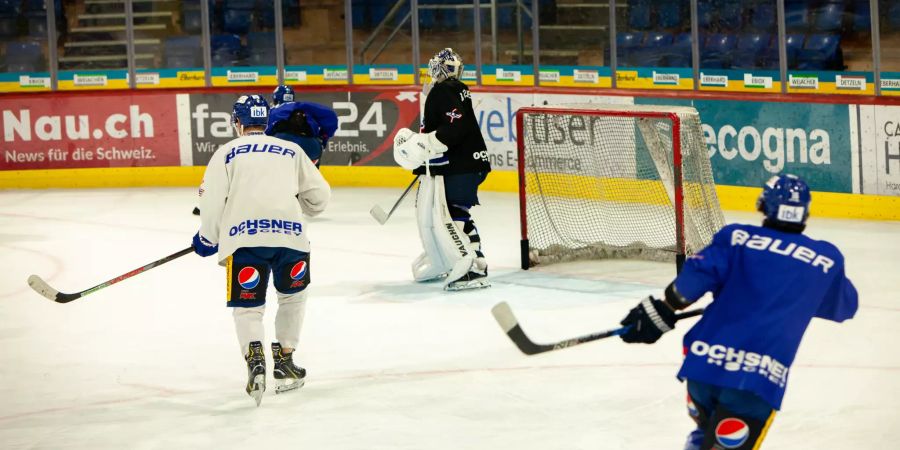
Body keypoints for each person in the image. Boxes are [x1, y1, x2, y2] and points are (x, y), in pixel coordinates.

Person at [617, 173, 858, 449]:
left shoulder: (738, 237)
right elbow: (845, 307)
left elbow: (687, 287)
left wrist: (664, 308)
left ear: (762, 205)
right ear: (805, 213)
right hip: (754, 383)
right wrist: (796, 295)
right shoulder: (826, 259)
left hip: (702, 368)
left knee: (703, 435)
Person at [191, 94, 331, 406]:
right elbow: (320, 196)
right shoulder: (291, 150)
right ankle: (285, 359)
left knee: (248, 306)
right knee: (293, 298)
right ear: (266, 121)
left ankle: (255, 359)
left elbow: (209, 200)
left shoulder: (227, 153)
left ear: (237, 122)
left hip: (245, 242)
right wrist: (307, 205)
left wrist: (207, 237)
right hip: (291, 239)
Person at [392, 48, 491, 291]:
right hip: (465, 163)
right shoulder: (452, 90)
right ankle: (462, 259)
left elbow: (453, 127)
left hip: (462, 164)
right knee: (450, 212)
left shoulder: (445, 89)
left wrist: (426, 143)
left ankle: (472, 267)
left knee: (452, 213)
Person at [266, 85, 338, 168]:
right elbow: (331, 116)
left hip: (282, 145)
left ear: (275, 99)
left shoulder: (272, 111)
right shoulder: (303, 106)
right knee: (311, 175)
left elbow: (264, 133)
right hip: (311, 146)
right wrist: (324, 138)